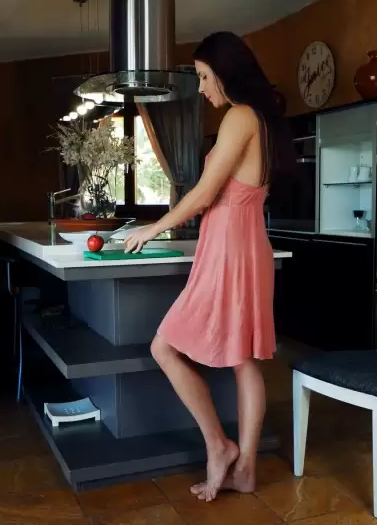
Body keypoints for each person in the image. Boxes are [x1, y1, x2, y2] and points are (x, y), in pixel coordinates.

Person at [123, 31, 295, 502]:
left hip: (230, 254)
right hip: (244, 248)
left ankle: (219, 447)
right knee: (244, 360)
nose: (200, 88)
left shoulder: (241, 116)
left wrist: (153, 228)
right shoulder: (259, 119)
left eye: (202, 77)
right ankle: (245, 470)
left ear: (225, 71)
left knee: (164, 347)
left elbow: (203, 195)